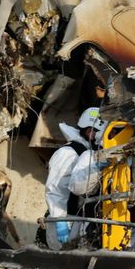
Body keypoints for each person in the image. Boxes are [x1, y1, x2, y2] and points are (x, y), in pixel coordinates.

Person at [44, 106, 103, 247]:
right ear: (89, 131)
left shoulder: (93, 154)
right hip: (67, 221)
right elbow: (55, 189)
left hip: (82, 221)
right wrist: (59, 220)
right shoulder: (69, 153)